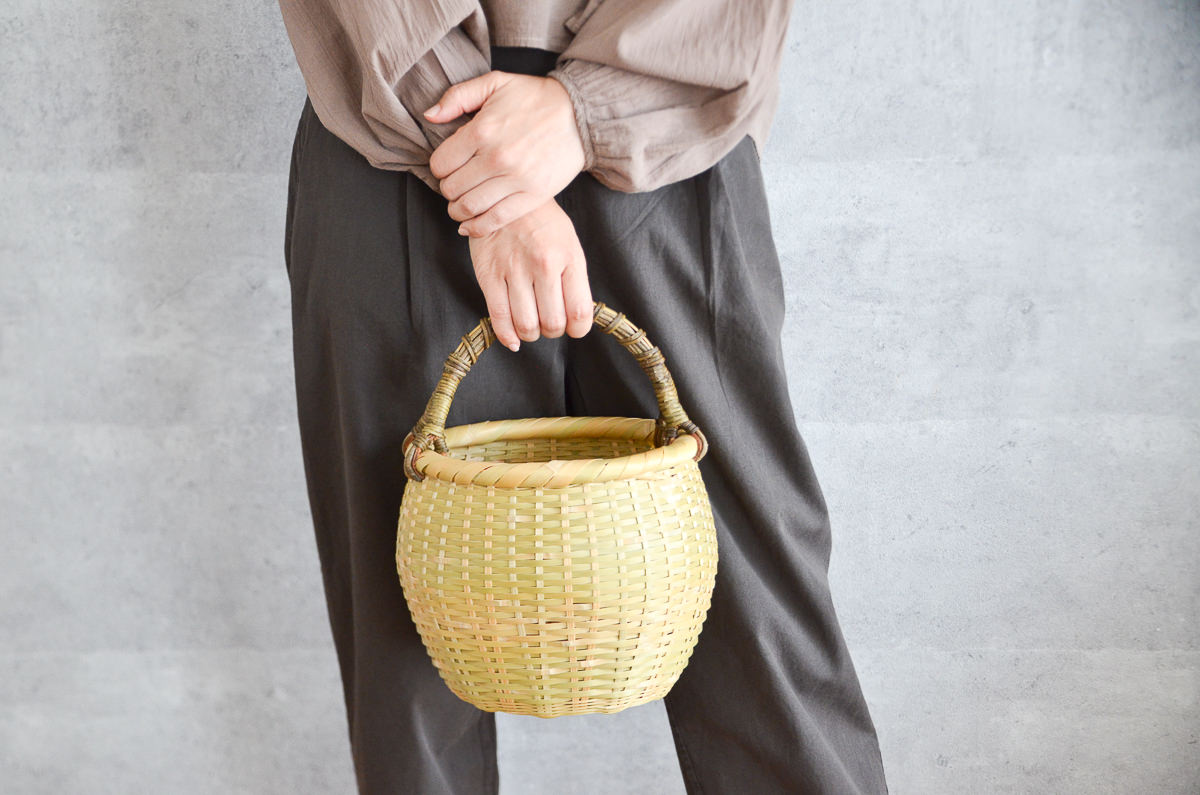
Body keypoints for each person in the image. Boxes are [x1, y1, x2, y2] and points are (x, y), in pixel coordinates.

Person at [276, 1, 891, 792]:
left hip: (666, 131)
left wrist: (584, 113)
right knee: (411, 627)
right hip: (393, 116)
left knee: (760, 616)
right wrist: (485, 173)